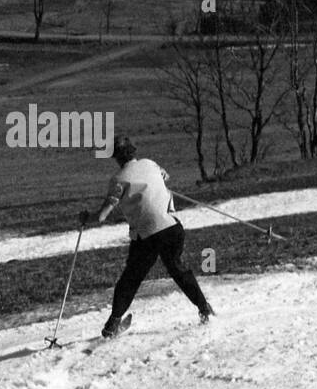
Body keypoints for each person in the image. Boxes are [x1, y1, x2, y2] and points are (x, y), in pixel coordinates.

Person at [78, 135, 215, 337]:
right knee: (178, 269)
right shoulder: (150, 163)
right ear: (133, 151)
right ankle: (205, 309)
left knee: (131, 279)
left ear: (115, 157)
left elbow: (101, 216)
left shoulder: (118, 180)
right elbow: (165, 177)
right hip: (172, 227)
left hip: (147, 235)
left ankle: (113, 324)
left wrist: (85, 217)